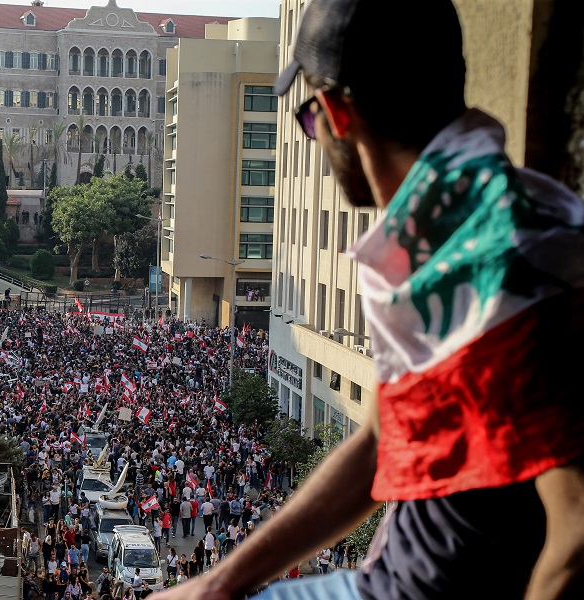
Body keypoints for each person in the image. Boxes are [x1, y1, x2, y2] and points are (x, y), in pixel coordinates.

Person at [153, 1, 584, 600]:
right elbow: (383, 438)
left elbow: (577, 531)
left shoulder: (497, 253)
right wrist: (220, 584)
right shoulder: (441, 227)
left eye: (309, 120)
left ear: (335, 111)